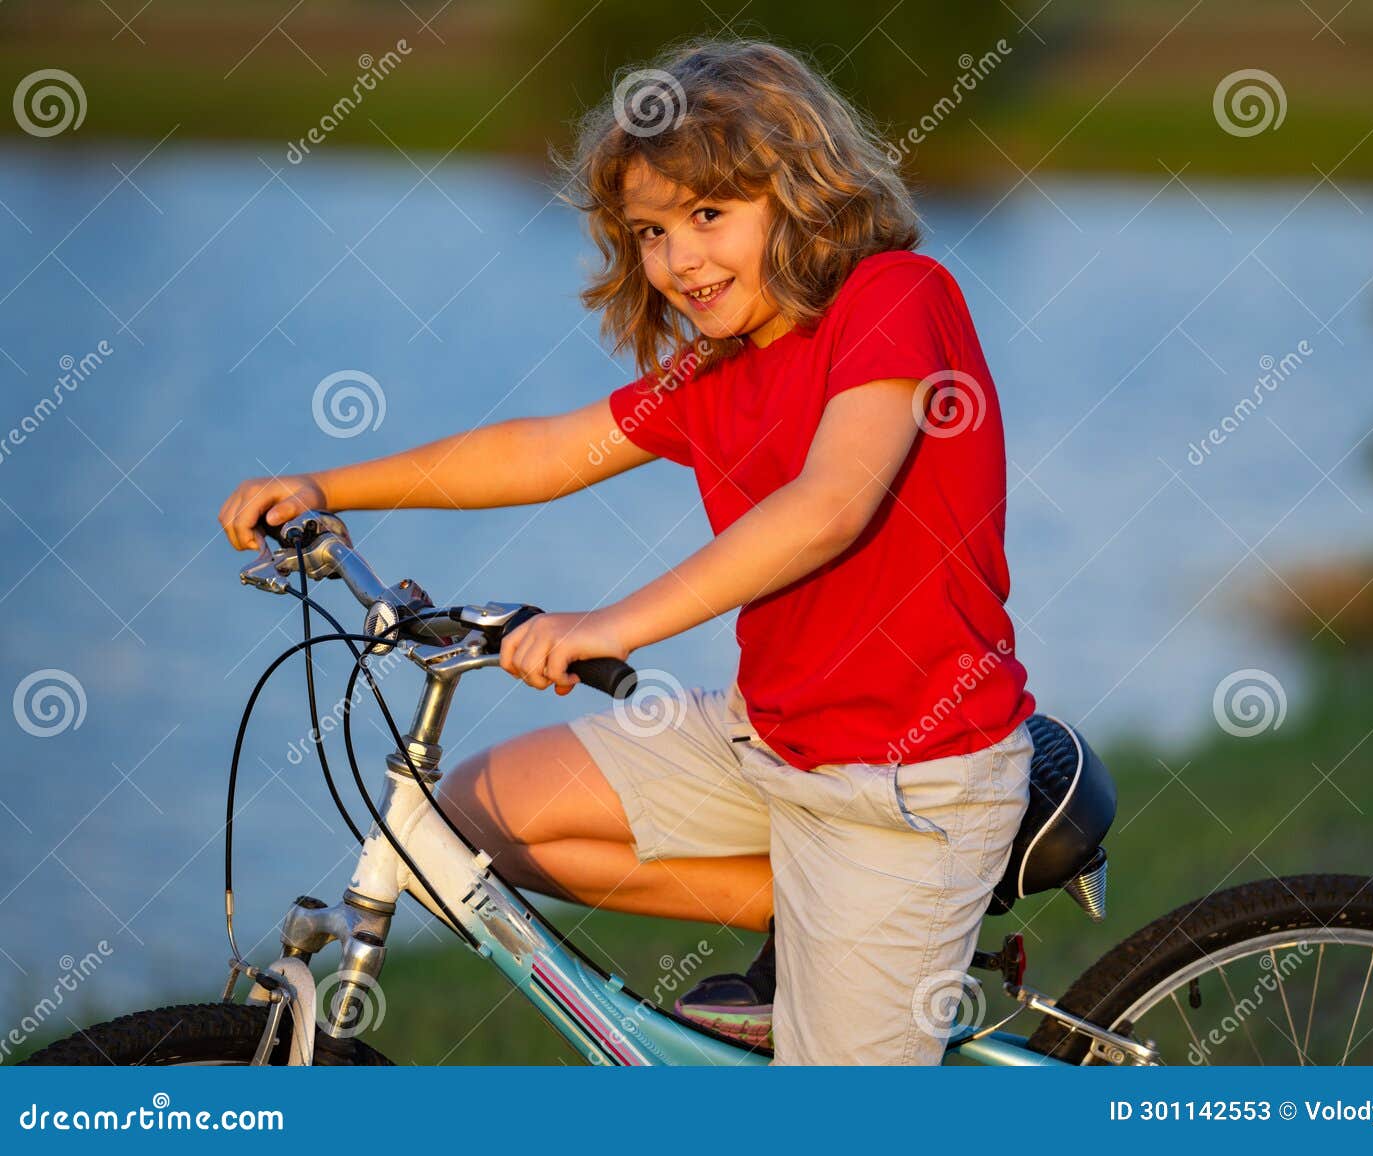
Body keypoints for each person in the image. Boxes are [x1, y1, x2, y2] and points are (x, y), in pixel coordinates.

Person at [217, 37, 1035, 1065]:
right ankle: (822, 922)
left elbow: (829, 504)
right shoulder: (712, 368)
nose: (680, 259)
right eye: (651, 231)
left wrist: (608, 624)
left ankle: (874, 926)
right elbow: (551, 449)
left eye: (708, 215)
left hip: (908, 785)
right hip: (772, 740)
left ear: (805, 196)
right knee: (468, 814)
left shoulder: (892, 297)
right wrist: (331, 487)